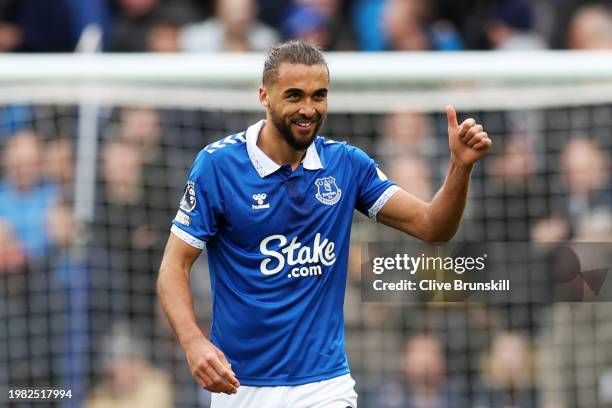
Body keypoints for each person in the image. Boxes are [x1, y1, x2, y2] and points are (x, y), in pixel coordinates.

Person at [157, 40, 491, 407]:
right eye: (295, 95)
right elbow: (174, 265)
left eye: (319, 96)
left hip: (324, 384)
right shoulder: (218, 167)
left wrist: (461, 167)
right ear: (264, 96)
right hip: (240, 385)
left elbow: (433, 227)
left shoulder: (346, 165)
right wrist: (193, 342)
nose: (308, 109)